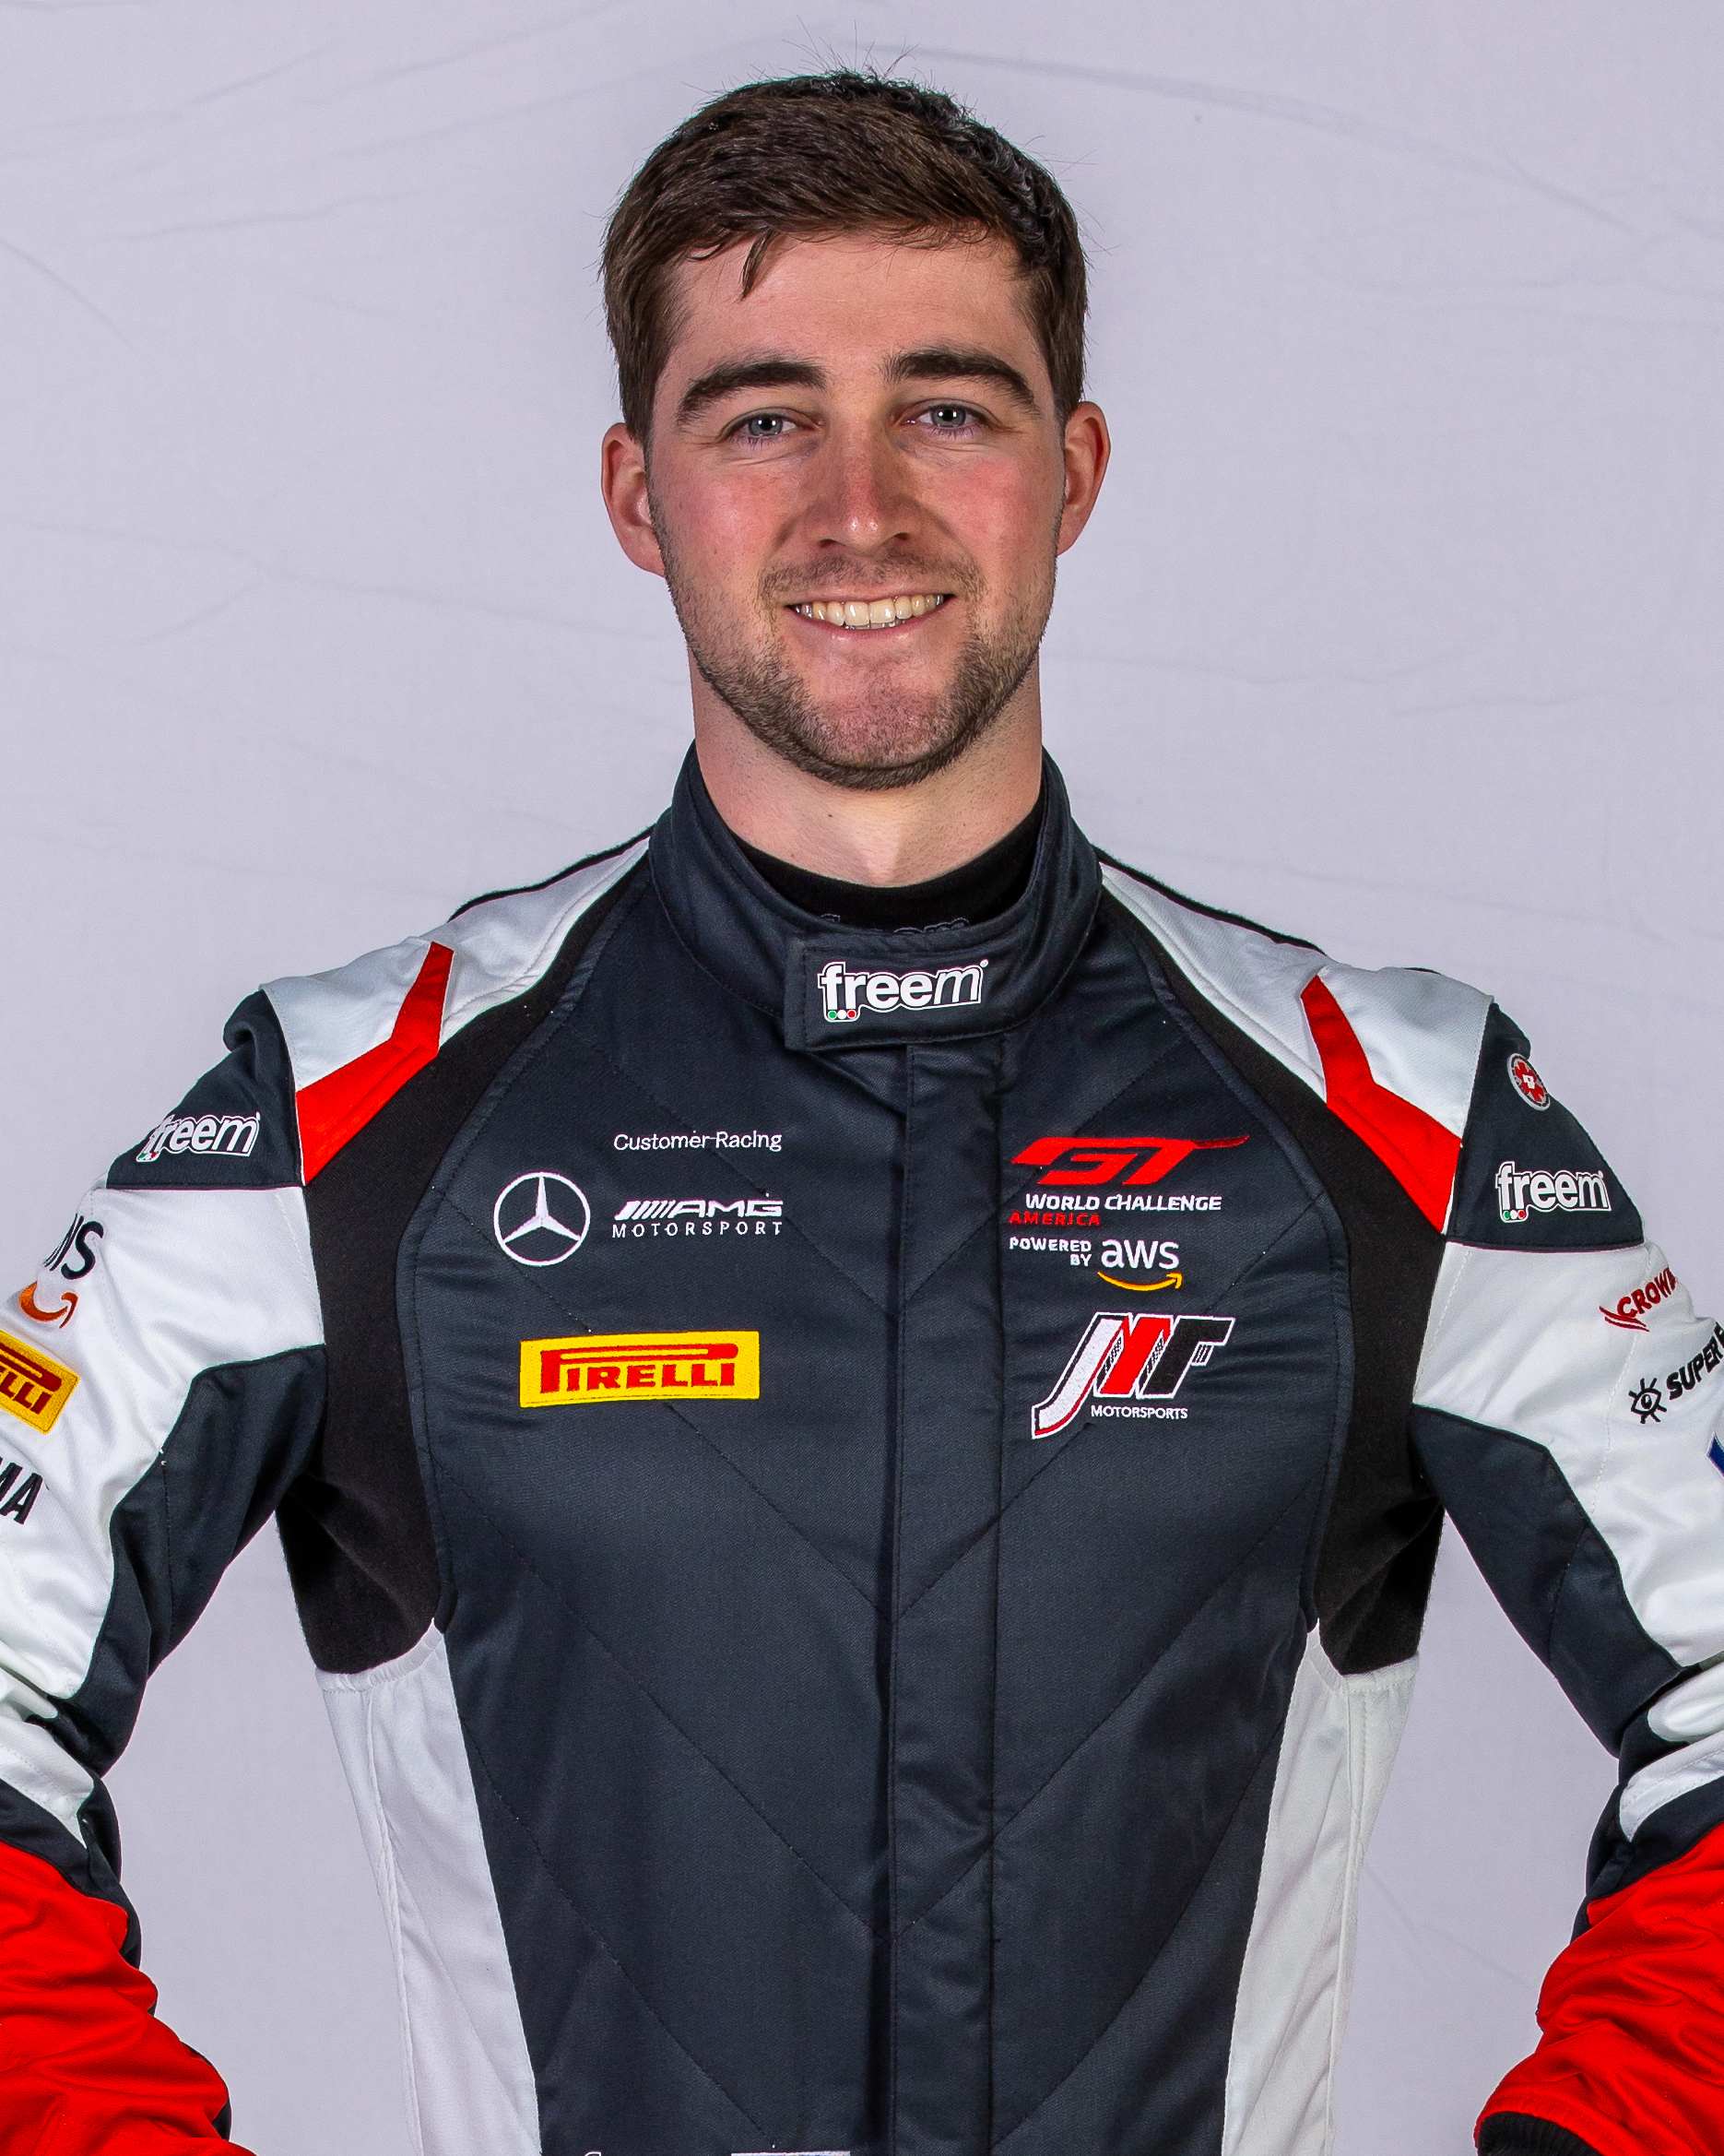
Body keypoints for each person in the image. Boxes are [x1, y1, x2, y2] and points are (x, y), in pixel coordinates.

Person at [0, 68, 1718, 2156]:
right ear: (638, 492)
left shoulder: (1403, 1118)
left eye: (949, 407)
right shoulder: (345, 1116)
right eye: (760, 418)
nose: (858, 508)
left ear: (1072, 470)